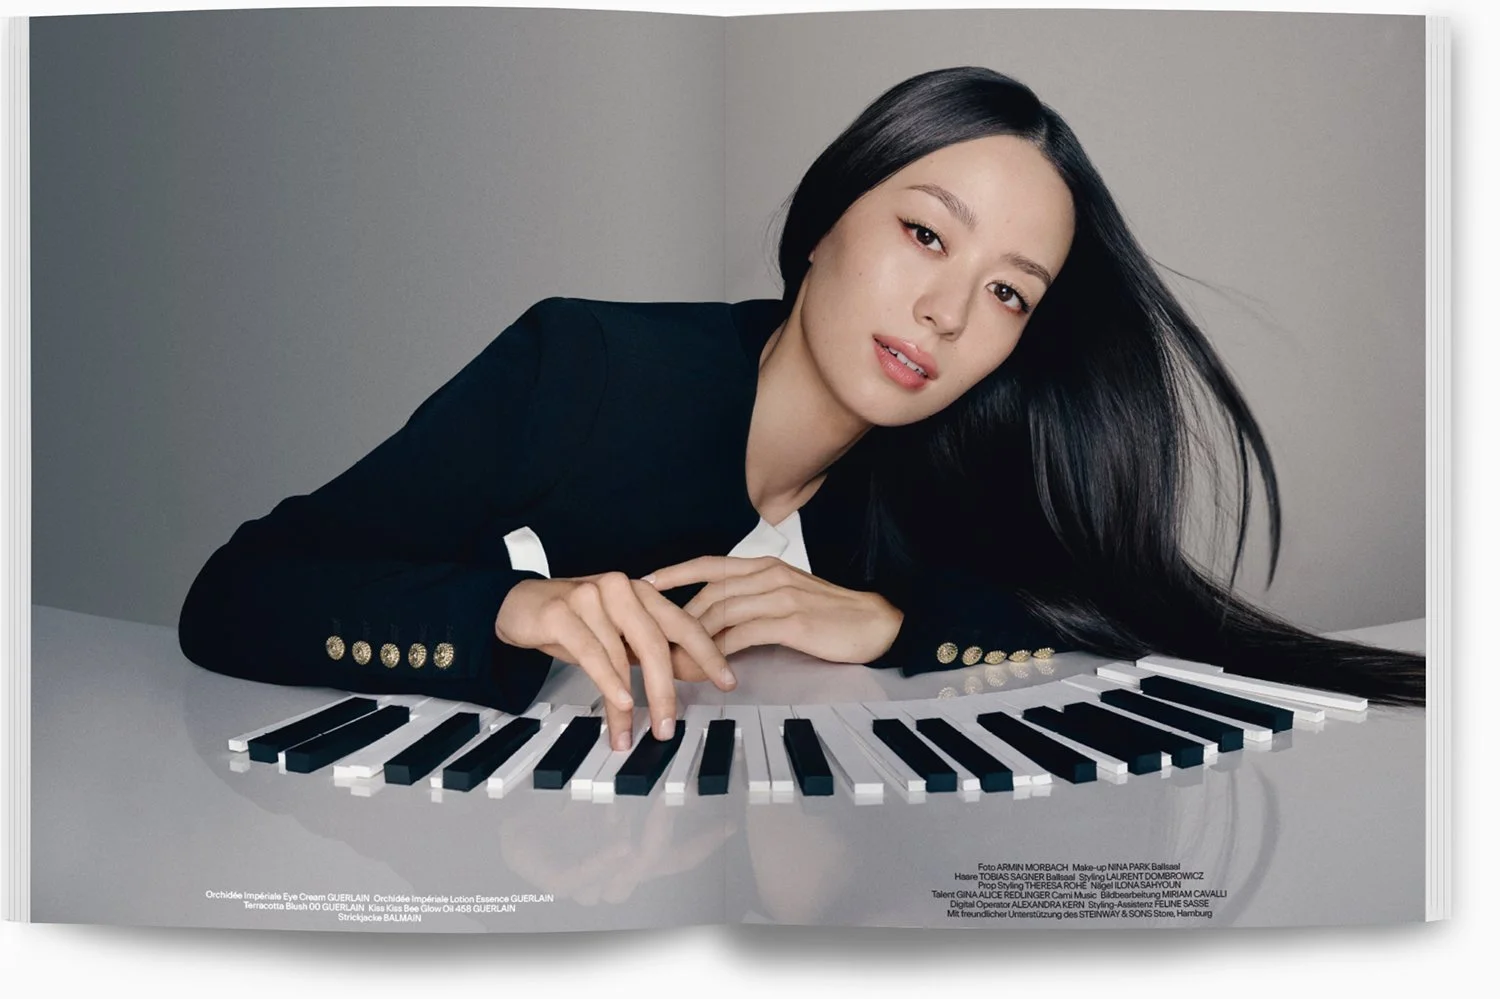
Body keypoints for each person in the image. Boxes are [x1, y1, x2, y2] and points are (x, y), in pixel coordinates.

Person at [178, 67, 1425, 754]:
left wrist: (887, 623)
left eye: (1006, 293)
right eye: (924, 234)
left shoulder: (954, 465)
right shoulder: (590, 362)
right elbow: (237, 592)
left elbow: (1096, 620)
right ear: (828, 218)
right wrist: (518, 606)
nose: (945, 312)